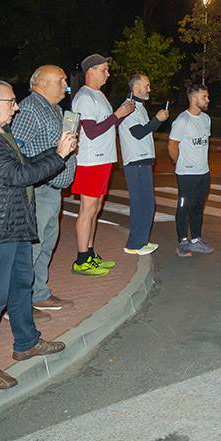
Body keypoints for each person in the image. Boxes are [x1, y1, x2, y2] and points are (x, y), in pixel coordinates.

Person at [0, 79, 76, 389]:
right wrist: (59, 156)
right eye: (11, 102)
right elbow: (15, 175)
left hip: (14, 224)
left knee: (21, 286)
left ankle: (27, 342)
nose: (16, 107)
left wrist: (54, 151)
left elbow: (24, 164)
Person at [10, 65, 77, 312]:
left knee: (46, 245)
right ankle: (19, 304)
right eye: (61, 80)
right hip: (38, 190)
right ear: (41, 83)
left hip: (52, 190)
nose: (66, 85)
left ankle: (38, 294)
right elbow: (15, 151)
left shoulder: (55, 109)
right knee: (32, 248)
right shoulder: (30, 109)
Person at [70, 54, 136, 276]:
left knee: (96, 208)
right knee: (87, 209)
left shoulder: (99, 95)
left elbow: (107, 125)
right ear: (91, 71)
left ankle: (89, 253)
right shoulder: (84, 97)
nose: (108, 74)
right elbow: (91, 131)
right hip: (90, 161)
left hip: (103, 159)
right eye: (104, 70)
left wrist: (122, 114)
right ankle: (81, 259)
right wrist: (118, 114)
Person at [115, 73, 168, 256]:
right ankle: (134, 244)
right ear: (136, 86)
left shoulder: (139, 107)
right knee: (141, 204)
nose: (149, 89)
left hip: (142, 160)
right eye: (147, 85)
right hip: (135, 161)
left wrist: (156, 121)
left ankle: (141, 241)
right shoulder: (128, 107)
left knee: (147, 203)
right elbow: (138, 133)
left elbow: (144, 131)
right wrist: (158, 120)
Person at [168, 84, 214, 257]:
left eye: (207, 96)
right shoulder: (182, 120)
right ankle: (182, 242)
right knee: (184, 207)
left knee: (198, 206)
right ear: (194, 98)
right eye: (204, 97)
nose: (208, 100)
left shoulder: (206, 119)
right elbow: (172, 146)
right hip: (187, 174)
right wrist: (179, 162)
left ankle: (196, 240)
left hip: (203, 172)